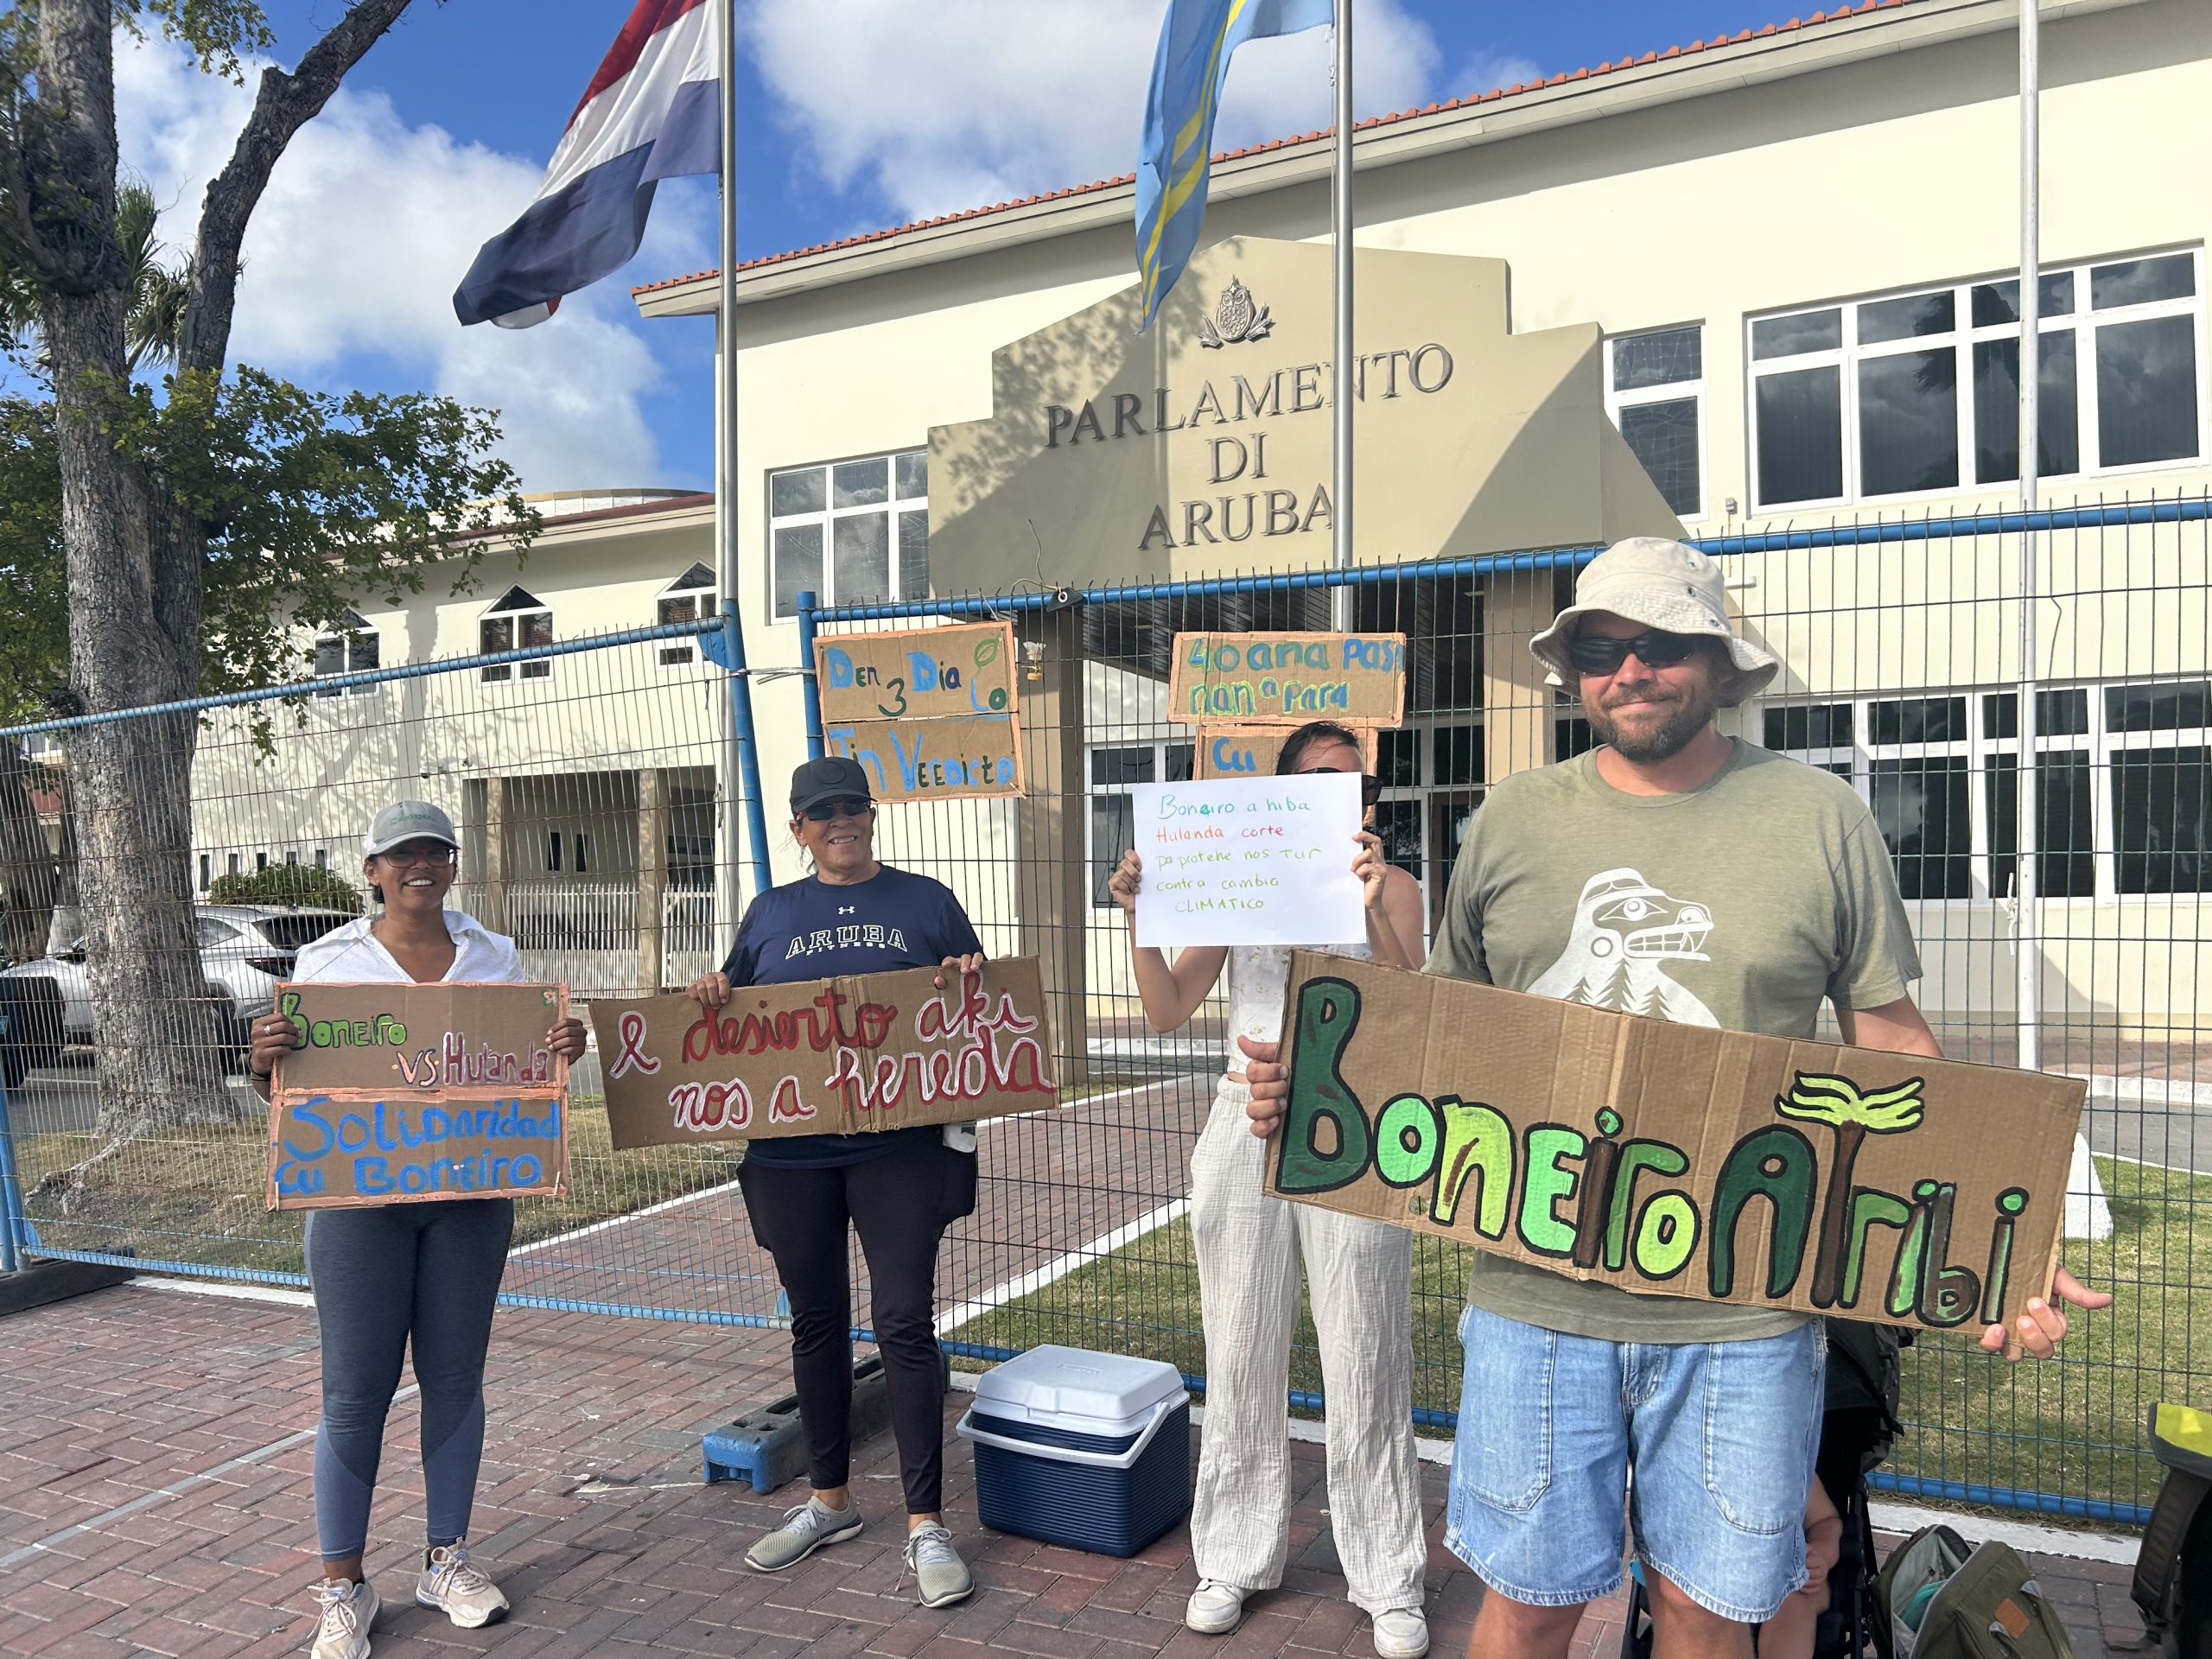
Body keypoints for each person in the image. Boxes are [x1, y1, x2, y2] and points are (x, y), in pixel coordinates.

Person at [1238, 539, 2112, 1659]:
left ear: (1722, 662)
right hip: (1535, 1303)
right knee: (1529, 1602)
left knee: (1707, 1605)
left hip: (1744, 1320)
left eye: (1663, 643)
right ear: (1575, 670)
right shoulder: (1512, 822)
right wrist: (1314, 1087)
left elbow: (1892, 1046)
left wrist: (2000, 1233)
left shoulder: (1820, 822)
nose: (1631, 667)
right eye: (1603, 646)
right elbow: (1441, 1039)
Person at [1103, 721, 1433, 1659]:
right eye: (1312, 782)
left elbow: (1416, 1011)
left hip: (1358, 1124)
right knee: (1238, 1338)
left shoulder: (1396, 888)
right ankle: (1232, 1557)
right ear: (1277, 800)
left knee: (1365, 1349)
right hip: (1242, 1113)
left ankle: (1386, 1577)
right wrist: (1137, 916)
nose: (1332, 794)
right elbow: (1167, 1011)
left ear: (1365, 805)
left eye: (1346, 782)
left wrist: (1371, 903)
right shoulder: (1238, 880)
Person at [245, 799, 588, 1659]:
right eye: (401, 857)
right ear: (372, 871)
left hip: (470, 1202)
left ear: (453, 865)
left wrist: (558, 1052)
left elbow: (516, 1073)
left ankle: (446, 1562)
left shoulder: (495, 956)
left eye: (434, 853)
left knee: (455, 1382)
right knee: (355, 1396)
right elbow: (294, 1096)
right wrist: (263, 1064)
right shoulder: (327, 961)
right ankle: (342, 1588)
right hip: (361, 1207)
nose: (419, 867)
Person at [686, 755, 987, 1609]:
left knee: (902, 1320)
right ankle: (830, 1502)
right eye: (822, 812)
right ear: (798, 829)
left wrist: (971, 981)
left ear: (872, 814)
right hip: (790, 1152)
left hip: (899, 1147)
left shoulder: (925, 901)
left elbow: (977, 1017)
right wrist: (711, 990)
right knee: (815, 1323)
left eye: (852, 806)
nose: (839, 821)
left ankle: (926, 1523)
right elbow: (729, 1014)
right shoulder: (770, 912)